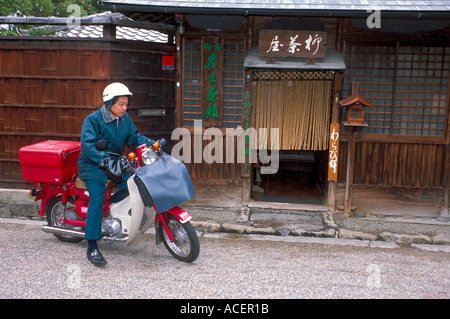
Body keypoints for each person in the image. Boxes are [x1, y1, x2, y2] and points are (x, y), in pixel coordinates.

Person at [78, 82, 155, 266]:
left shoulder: (125, 118)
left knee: (136, 184)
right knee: (97, 199)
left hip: (115, 165)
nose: (124, 108)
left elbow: (135, 137)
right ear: (109, 102)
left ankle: (111, 211)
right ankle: (92, 246)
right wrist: (102, 158)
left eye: (126, 104)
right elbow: (87, 146)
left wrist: (153, 144)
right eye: (120, 104)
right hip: (93, 166)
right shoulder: (93, 120)